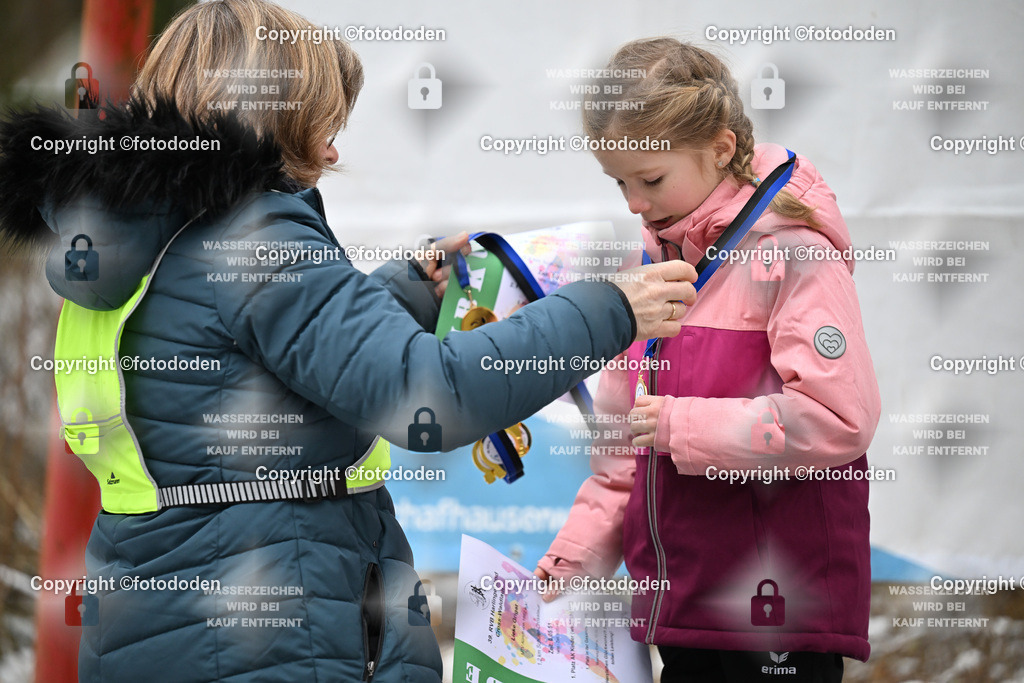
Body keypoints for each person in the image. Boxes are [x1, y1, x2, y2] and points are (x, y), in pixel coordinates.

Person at [0, 5, 697, 682]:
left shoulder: (143, 231)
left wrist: (404, 291)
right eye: (321, 127)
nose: (333, 152)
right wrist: (610, 310)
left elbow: (258, 362)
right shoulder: (257, 235)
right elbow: (429, 394)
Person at [535, 38, 881, 683]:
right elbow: (624, 456)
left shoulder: (794, 251)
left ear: (721, 149)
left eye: (652, 179)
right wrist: (571, 564)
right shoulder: (650, 271)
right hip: (682, 615)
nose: (634, 203)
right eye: (619, 183)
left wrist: (680, 427)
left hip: (781, 621)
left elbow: (839, 416)